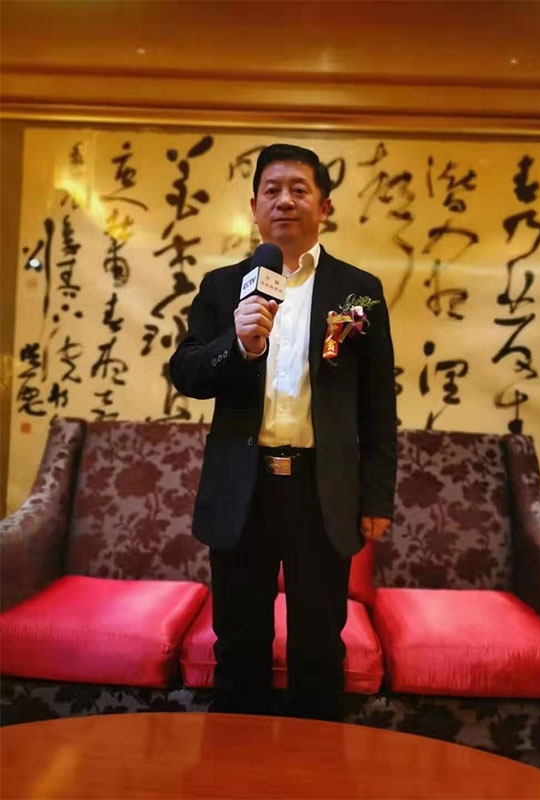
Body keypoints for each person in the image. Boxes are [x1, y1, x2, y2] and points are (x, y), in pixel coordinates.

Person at [169, 143, 396, 722]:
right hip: (242, 488)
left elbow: (377, 406)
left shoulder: (358, 292)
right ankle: (233, 764)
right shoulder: (224, 286)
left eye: (299, 189)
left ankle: (315, 766)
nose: (285, 201)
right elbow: (186, 373)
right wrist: (238, 346)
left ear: (325, 207)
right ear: (253, 208)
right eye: (271, 190)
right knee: (239, 645)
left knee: (318, 648)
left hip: (321, 490)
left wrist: (376, 497)